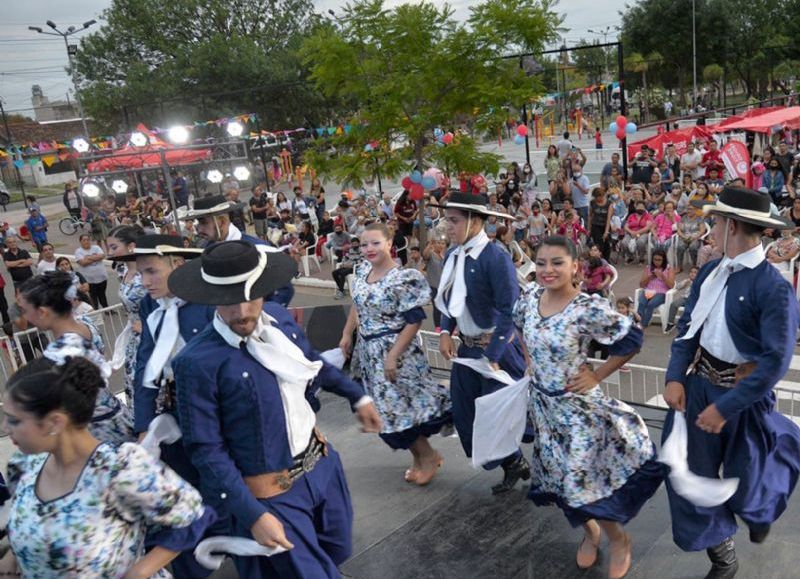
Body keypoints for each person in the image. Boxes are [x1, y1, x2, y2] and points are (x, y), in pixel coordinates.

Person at [168, 241, 381, 578]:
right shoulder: (196, 363)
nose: (241, 312)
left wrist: (358, 396)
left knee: (337, 548)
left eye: (250, 297)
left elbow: (312, 363)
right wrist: (252, 514)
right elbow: (206, 450)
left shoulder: (279, 320)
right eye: (229, 302)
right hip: (271, 492)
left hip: (322, 465)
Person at [662, 186, 800, 578]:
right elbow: (687, 328)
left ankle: (760, 505)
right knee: (687, 476)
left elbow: (775, 362)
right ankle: (722, 553)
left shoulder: (773, 288)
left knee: (747, 487)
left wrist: (725, 408)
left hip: (743, 402)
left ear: (733, 227)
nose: (711, 229)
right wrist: (675, 376)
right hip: (698, 388)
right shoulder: (710, 270)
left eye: (717, 222)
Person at [514, 235, 662, 579]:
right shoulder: (529, 298)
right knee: (563, 483)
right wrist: (529, 362)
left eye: (557, 263)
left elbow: (632, 340)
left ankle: (618, 539)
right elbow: (518, 326)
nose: (547, 270)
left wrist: (598, 376)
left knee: (585, 481)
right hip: (545, 410)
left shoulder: (586, 308)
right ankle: (590, 533)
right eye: (540, 263)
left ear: (575, 267)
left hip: (578, 411)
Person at [0, 357, 215, 578]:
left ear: (54, 422)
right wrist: (13, 556)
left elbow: (193, 515)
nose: (5, 428)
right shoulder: (24, 465)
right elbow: (32, 522)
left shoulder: (119, 469)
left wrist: (141, 570)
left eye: (14, 420)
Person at [431, 192, 531, 494]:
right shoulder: (452, 255)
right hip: (468, 351)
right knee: (468, 415)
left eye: (454, 220)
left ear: (475, 221)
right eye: (446, 219)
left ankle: (540, 465)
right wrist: (446, 332)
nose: (447, 226)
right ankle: (513, 463)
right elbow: (449, 299)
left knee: (499, 417)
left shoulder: (495, 257)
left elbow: (508, 310)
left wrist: (494, 354)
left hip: (497, 352)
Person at [341, 223, 452, 485]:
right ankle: (422, 457)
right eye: (364, 244)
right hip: (368, 354)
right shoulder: (363, 272)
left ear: (390, 244)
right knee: (388, 413)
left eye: (375, 243)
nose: (369, 249)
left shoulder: (403, 278)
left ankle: (427, 457)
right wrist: (347, 334)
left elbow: (414, 320)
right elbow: (357, 306)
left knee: (396, 414)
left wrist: (393, 355)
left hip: (396, 354)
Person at [17, 272, 134, 445]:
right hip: (115, 414)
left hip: (96, 428)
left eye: (26, 311)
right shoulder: (85, 323)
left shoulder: (60, 353)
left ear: (42, 312)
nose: (25, 317)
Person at [182, 194, 294, 306]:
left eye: (204, 222)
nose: (199, 229)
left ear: (221, 222)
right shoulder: (206, 251)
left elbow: (284, 290)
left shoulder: (258, 249)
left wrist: (259, 314)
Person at [106, 225, 147, 406]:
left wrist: (146, 325)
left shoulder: (147, 272)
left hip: (150, 336)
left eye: (114, 247)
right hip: (134, 338)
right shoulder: (122, 271)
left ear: (131, 246)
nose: (110, 252)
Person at [637, 249, 674, 328]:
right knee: (642, 302)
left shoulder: (669, 269)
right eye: (655, 259)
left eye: (659, 260)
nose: (656, 262)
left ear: (663, 260)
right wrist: (650, 277)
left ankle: (643, 324)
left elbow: (671, 286)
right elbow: (641, 285)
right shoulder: (648, 268)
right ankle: (638, 322)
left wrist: (662, 276)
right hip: (648, 291)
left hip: (662, 293)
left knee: (651, 304)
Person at [74, 233, 109, 309]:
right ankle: (96, 311)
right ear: (80, 241)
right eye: (84, 240)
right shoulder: (78, 251)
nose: (86, 241)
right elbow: (83, 263)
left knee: (102, 294)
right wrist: (96, 257)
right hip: (89, 280)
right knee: (93, 296)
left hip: (102, 277)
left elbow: (102, 256)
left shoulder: (96, 247)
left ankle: (106, 309)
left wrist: (88, 257)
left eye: (88, 240)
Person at [664, 265, 698, 332]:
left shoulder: (700, 281)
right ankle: (670, 323)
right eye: (691, 272)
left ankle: (687, 325)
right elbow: (677, 287)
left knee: (689, 309)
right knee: (674, 304)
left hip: (694, 300)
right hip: (685, 298)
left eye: (695, 272)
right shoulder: (687, 281)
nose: (692, 274)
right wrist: (684, 283)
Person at [422, 236, 446, 329]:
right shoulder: (431, 255)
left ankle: (448, 327)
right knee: (437, 308)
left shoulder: (445, 256)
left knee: (446, 307)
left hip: (444, 287)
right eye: (438, 243)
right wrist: (429, 245)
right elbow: (425, 255)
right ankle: (438, 327)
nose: (440, 245)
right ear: (434, 244)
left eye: (442, 243)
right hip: (434, 286)